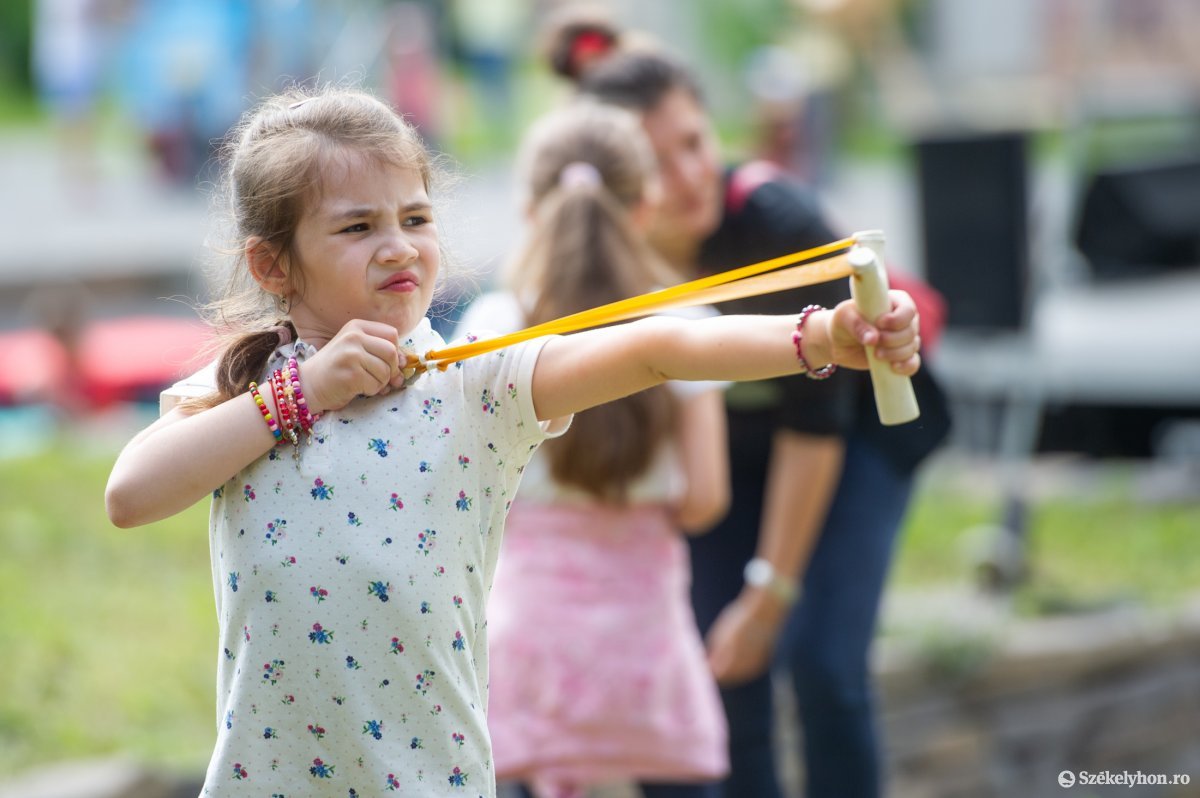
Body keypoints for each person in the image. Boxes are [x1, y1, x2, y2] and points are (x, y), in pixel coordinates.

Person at [103, 84, 922, 797]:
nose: (399, 244)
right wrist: (304, 394)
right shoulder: (250, 388)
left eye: (415, 217)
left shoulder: (474, 384)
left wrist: (820, 336)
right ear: (272, 265)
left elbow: (656, 347)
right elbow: (130, 496)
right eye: (356, 228)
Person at [542, 14, 951, 798]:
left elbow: (815, 426)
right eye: (657, 164)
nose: (691, 176)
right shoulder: (604, 264)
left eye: (695, 143)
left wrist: (770, 594)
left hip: (857, 435)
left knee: (821, 661)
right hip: (732, 452)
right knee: (714, 664)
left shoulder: (777, 225)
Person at [456, 102, 730, 798]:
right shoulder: (688, 327)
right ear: (646, 206)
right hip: (645, 658)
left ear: (528, 209)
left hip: (528, 655)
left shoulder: (494, 327)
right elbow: (705, 500)